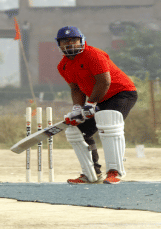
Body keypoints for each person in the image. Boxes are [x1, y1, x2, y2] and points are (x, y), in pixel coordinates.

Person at [55, 26, 138, 184]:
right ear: (59, 44)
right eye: (65, 41)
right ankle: (91, 173)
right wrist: (77, 108)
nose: (70, 44)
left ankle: (115, 172)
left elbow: (104, 82)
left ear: (82, 40)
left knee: (109, 124)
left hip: (122, 93)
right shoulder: (63, 66)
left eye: (73, 40)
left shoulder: (93, 54)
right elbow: (76, 89)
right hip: (99, 98)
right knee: (78, 130)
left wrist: (91, 104)